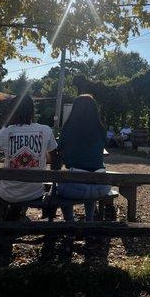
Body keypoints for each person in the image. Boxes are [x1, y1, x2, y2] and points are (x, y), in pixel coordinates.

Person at [0, 95, 58, 220]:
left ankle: (0, 219)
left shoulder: (6, 131)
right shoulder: (45, 130)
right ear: (32, 111)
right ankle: (15, 214)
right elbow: (53, 157)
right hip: (35, 192)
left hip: (9, 193)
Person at [57, 94, 111, 222]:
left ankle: (70, 223)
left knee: (63, 183)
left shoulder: (68, 128)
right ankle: (89, 220)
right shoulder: (100, 128)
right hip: (101, 187)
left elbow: (60, 149)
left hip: (76, 188)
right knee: (90, 178)